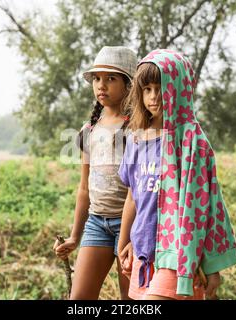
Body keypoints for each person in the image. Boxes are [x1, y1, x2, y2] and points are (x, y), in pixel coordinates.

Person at [117, 49, 236, 300]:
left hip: (179, 254)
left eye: (161, 87)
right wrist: (124, 243)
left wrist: (212, 264)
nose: (153, 96)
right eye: (147, 89)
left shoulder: (193, 142)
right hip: (144, 253)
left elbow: (211, 206)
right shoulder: (136, 140)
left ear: (179, 88)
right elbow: (133, 197)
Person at [53, 46, 137, 299]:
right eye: (97, 79)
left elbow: (142, 188)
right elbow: (84, 189)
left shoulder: (138, 128)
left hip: (132, 226)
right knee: (79, 299)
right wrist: (74, 236)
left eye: (111, 78)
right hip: (97, 224)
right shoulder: (89, 129)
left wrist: (136, 234)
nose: (101, 85)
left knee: (131, 299)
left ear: (130, 85)